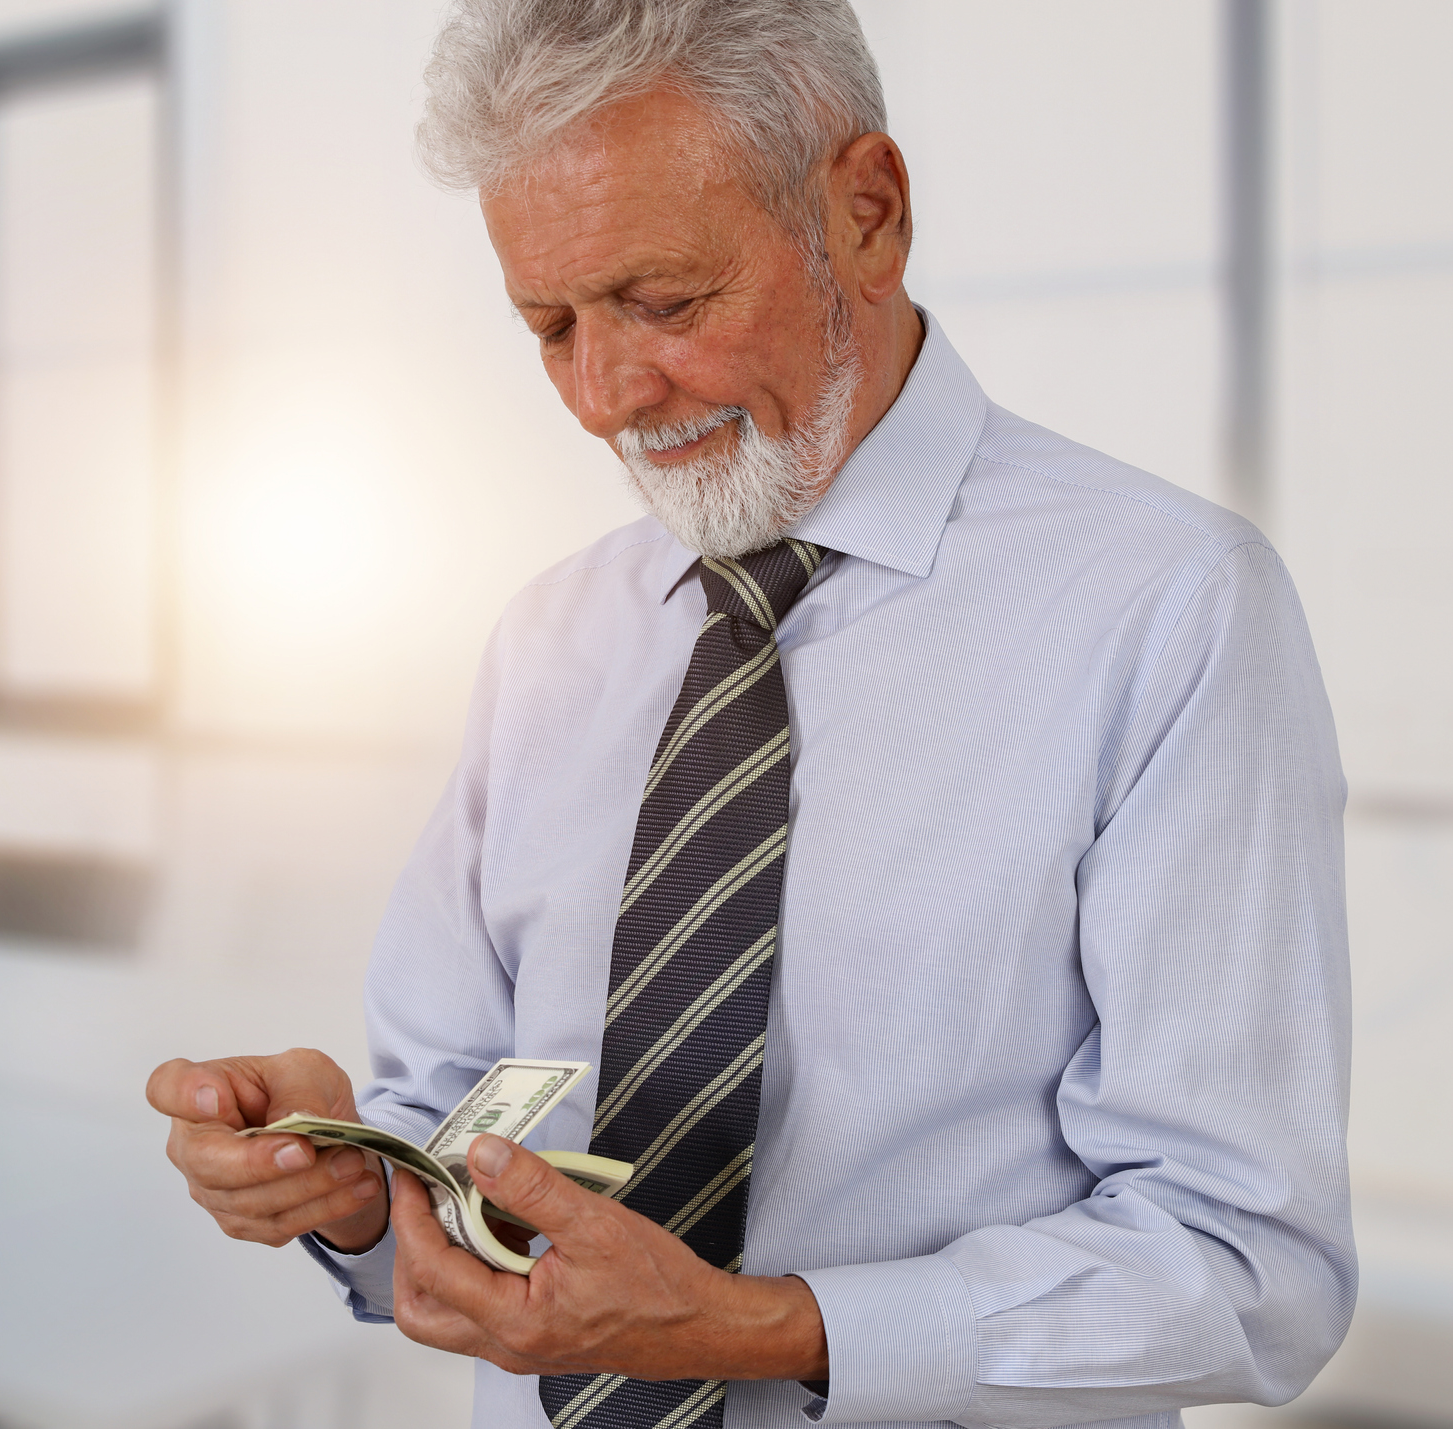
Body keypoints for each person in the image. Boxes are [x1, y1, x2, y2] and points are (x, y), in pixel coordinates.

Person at [145, 2, 1353, 1426]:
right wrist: (355, 1185)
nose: (606, 395)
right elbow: (471, 1108)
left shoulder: (1167, 608)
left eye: (663, 303)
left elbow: (1242, 1261)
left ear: (866, 212)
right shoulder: (552, 636)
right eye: (549, 326)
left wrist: (764, 1329)